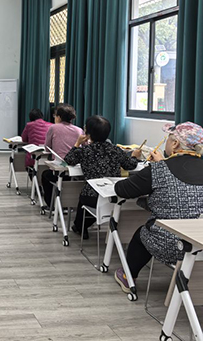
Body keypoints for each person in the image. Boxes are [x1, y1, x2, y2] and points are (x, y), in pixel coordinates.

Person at [113, 122, 203, 293]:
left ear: (175, 143)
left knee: (143, 233)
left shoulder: (158, 170)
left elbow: (122, 189)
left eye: (168, 139)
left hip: (172, 246)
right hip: (200, 243)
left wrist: (157, 167)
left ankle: (127, 276)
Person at [64, 115, 141, 239]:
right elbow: (130, 165)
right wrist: (134, 156)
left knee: (84, 196)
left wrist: (77, 143)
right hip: (113, 196)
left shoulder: (85, 151)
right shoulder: (115, 150)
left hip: (92, 197)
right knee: (95, 200)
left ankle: (80, 226)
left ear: (88, 134)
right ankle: (81, 226)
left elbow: (69, 159)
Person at [41, 104, 84, 208]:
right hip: (76, 171)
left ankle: (51, 205)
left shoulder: (53, 128)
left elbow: (47, 148)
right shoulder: (79, 130)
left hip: (60, 170)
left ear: (59, 117)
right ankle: (69, 204)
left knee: (45, 175)